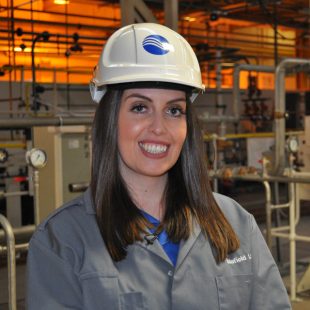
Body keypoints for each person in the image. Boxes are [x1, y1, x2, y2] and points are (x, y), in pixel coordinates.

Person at [26, 23, 291, 309]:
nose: (159, 128)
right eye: (140, 107)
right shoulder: (61, 241)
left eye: (174, 110)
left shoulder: (236, 223)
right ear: (109, 118)